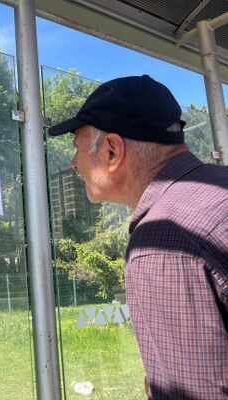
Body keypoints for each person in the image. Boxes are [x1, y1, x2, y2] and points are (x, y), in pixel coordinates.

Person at [48, 75, 228, 399]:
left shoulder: (164, 242)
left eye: (77, 149)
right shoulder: (219, 186)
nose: (73, 164)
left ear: (112, 151)